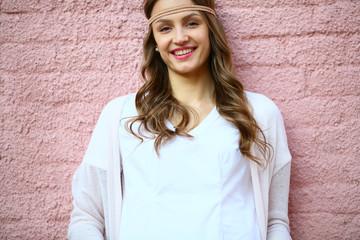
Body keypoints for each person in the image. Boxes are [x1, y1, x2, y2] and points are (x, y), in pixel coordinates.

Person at [68, 0, 292, 239]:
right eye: (165, 28)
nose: (180, 37)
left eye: (192, 23)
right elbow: (86, 217)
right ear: (155, 42)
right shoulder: (121, 116)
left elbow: (274, 222)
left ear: (211, 30)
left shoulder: (258, 113)